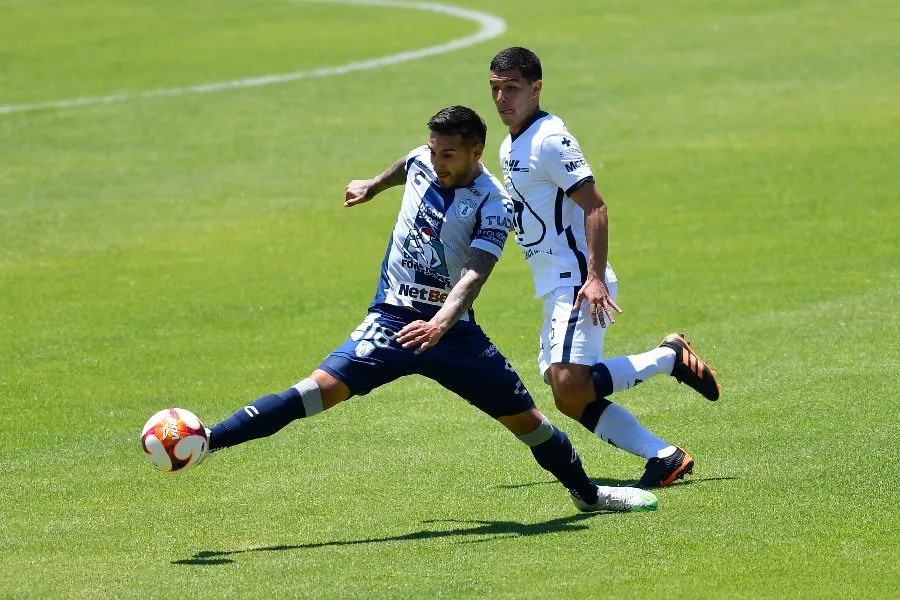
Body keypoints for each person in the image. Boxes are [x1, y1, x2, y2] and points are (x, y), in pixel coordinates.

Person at [197, 106, 658, 513]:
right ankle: (209, 441)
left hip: (452, 333)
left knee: (530, 424)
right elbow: (407, 164)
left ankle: (588, 497)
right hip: (392, 321)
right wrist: (373, 186)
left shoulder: (494, 204)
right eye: (434, 152)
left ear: (476, 151)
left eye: (448, 156)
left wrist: (439, 324)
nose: (437, 163)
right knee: (315, 392)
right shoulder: (423, 160)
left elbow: (475, 274)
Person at [488, 47, 721, 488]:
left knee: (571, 386)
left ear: (536, 88)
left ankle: (669, 358)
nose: (502, 99)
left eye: (512, 89)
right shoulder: (512, 142)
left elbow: (595, 206)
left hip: (576, 280)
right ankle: (665, 457)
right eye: (496, 89)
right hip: (553, 282)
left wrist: (594, 278)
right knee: (567, 395)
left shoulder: (549, 140)